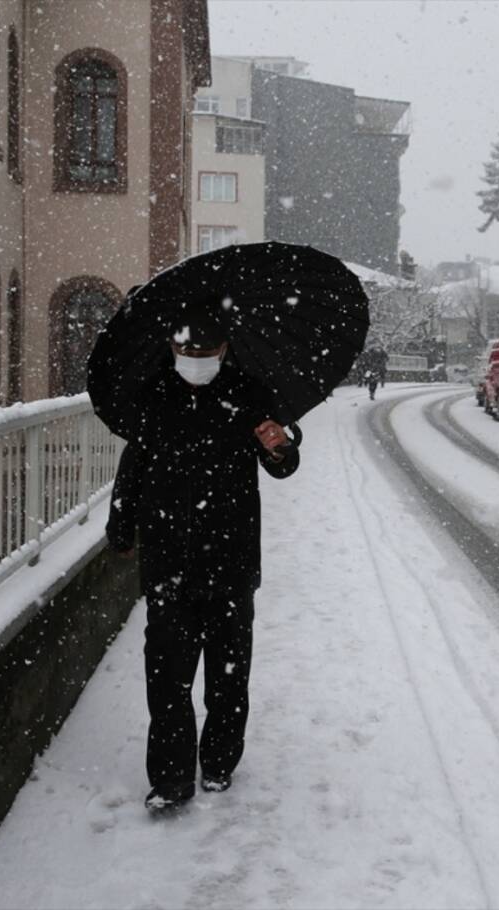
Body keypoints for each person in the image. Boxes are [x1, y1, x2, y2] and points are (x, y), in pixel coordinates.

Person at [106, 312, 300, 814]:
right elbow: (134, 465)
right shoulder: (152, 396)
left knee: (228, 674)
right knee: (168, 675)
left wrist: (282, 450)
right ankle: (170, 779)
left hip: (232, 558)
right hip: (169, 560)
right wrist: (121, 526)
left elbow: (281, 462)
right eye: (186, 354)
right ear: (172, 348)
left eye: (205, 355)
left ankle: (218, 762)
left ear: (224, 351)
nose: (195, 363)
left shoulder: (248, 393)